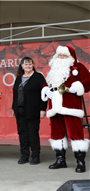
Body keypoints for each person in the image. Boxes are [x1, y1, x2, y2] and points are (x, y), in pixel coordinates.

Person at [42, 45, 90, 173]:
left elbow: (88, 80)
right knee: (57, 134)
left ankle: (80, 162)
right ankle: (60, 160)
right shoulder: (53, 69)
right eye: (59, 55)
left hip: (71, 106)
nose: (61, 57)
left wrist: (78, 87)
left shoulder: (78, 67)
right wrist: (46, 90)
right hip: (54, 107)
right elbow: (46, 83)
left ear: (70, 57)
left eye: (64, 55)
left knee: (76, 133)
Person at [12, 57, 47, 165]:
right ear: (22, 66)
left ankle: (35, 156)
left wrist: (42, 109)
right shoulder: (18, 78)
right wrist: (14, 108)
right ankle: (24, 156)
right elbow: (15, 94)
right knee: (22, 134)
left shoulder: (38, 77)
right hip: (20, 110)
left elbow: (44, 94)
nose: (28, 66)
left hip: (33, 110)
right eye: (26, 64)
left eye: (30, 64)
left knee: (32, 134)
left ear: (33, 65)